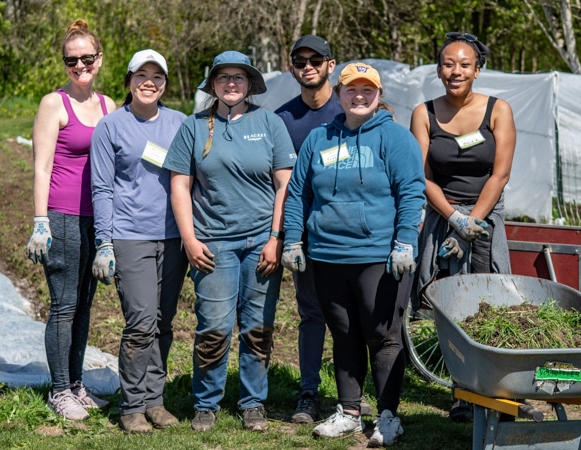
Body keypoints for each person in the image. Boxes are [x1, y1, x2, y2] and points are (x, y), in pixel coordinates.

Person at [281, 62, 426, 447]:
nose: (359, 97)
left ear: (378, 95)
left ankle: (389, 416)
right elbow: (298, 193)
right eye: (351, 90)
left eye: (367, 90)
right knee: (343, 334)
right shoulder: (319, 139)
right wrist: (293, 240)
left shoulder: (395, 138)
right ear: (340, 93)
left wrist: (405, 242)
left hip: (380, 257)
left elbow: (411, 191)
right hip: (328, 255)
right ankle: (348, 411)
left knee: (383, 336)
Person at [164, 50, 296, 432]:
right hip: (212, 245)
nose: (232, 84)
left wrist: (275, 238)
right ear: (214, 85)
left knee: (258, 326)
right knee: (214, 326)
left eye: (239, 77)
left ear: (250, 84)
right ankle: (206, 403)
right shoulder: (194, 126)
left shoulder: (270, 123)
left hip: (260, 242)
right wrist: (189, 239)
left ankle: (254, 401)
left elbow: (284, 185)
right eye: (224, 78)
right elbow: (180, 185)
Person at [409, 32, 517, 422]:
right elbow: (421, 176)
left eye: (464, 65)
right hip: (442, 217)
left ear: (477, 70)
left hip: (486, 220)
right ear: (439, 69)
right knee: (451, 305)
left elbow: (499, 173)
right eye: (448, 64)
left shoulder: (498, 110)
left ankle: (495, 391)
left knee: (491, 302)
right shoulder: (424, 113)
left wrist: (472, 222)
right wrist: (453, 218)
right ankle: (461, 392)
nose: (456, 71)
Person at [276, 35, 376, 424]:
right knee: (312, 314)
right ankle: (308, 394)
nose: (307, 66)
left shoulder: (354, 105)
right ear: (292, 68)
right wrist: (287, 236)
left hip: (355, 237)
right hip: (309, 237)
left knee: (354, 317)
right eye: (300, 60)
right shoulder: (284, 120)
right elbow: (283, 184)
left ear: (330, 65)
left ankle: (352, 394)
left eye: (315, 59)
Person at [89, 49, 189, 434]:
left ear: (164, 83)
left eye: (157, 76)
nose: (150, 82)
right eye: (141, 75)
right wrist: (104, 242)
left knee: (164, 321)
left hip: (173, 236)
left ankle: (154, 400)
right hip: (130, 236)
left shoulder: (180, 123)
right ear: (129, 80)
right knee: (141, 322)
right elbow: (101, 187)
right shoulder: (111, 127)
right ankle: (131, 406)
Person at [25, 18, 116, 421]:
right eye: (71, 60)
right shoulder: (53, 104)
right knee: (63, 306)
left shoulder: (109, 105)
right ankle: (58, 391)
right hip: (61, 218)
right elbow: (42, 166)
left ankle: (76, 384)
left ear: (99, 59)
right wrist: (40, 221)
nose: (79, 66)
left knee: (84, 306)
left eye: (86, 58)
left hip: (96, 221)